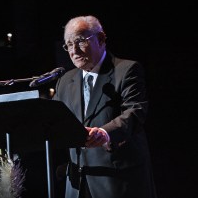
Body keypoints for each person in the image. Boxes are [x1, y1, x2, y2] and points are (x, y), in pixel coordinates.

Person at [53, 15, 157, 198]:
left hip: (118, 181)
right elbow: (50, 122)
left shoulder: (126, 70)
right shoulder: (65, 81)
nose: (74, 50)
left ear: (101, 39)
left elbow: (135, 111)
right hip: (77, 184)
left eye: (79, 41)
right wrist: (6, 147)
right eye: (68, 44)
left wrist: (105, 133)